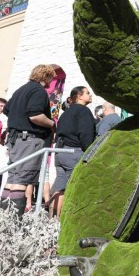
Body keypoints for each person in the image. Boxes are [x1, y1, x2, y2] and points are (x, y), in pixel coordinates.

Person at [1, 64, 56, 215]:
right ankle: (13, 222)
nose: (51, 82)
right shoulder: (39, 91)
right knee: (22, 179)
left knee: (12, 179)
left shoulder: (21, 89)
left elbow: (7, 110)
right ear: (45, 77)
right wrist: (52, 124)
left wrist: (18, 119)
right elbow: (35, 115)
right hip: (29, 140)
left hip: (15, 139)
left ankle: (2, 219)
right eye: (50, 78)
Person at [51, 86, 96, 217]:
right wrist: (89, 151)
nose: (90, 95)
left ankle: (53, 221)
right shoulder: (83, 111)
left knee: (60, 187)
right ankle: (69, 220)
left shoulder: (66, 113)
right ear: (79, 96)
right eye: (88, 93)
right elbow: (86, 134)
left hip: (60, 152)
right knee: (76, 188)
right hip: (73, 153)